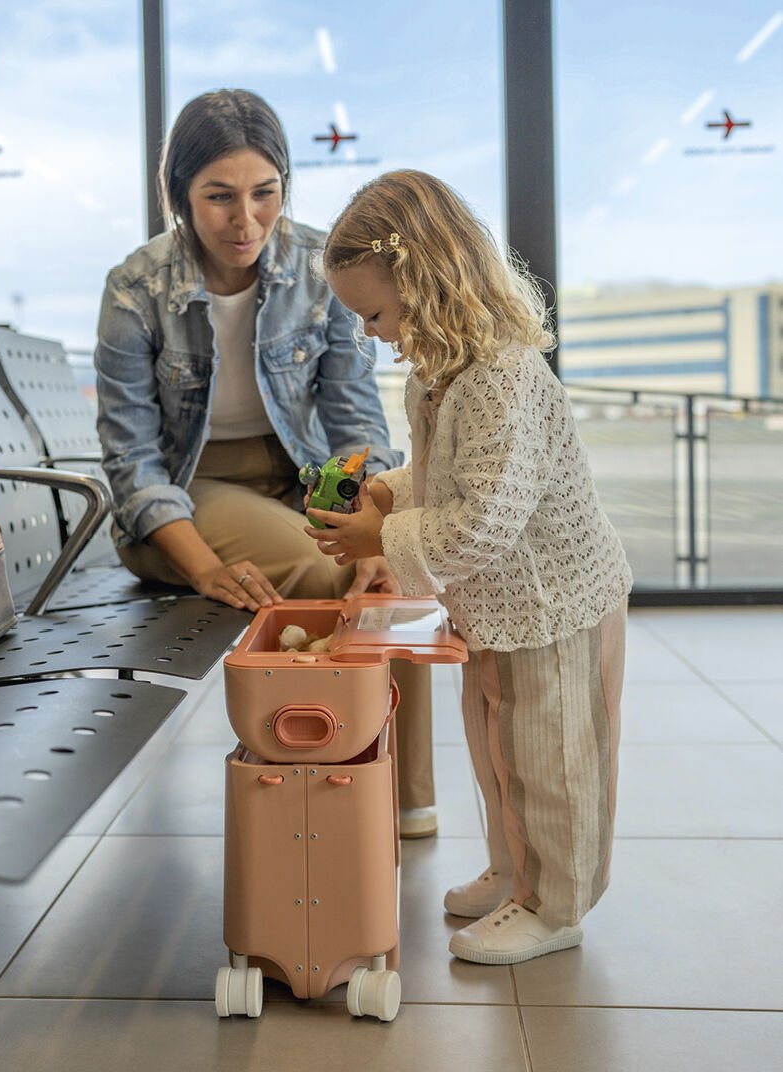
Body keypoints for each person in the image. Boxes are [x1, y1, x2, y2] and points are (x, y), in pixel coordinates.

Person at [305, 169, 633, 964]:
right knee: (497, 750)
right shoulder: (443, 374)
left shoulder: (502, 377)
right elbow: (451, 478)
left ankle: (555, 905)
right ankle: (516, 869)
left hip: (554, 606)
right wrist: (386, 487)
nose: (373, 332)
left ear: (428, 279)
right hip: (500, 606)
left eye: (376, 313)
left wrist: (379, 543)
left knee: (552, 760)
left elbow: (484, 519)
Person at [93, 90, 436, 836]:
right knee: (329, 575)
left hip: (301, 473)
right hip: (189, 491)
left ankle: (404, 794)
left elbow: (354, 425)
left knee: (391, 571)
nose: (245, 221)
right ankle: (327, 773)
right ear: (179, 195)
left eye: (264, 194)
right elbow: (133, 460)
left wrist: (375, 531)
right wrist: (200, 565)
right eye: (218, 198)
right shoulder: (137, 288)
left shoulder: (321, 270)